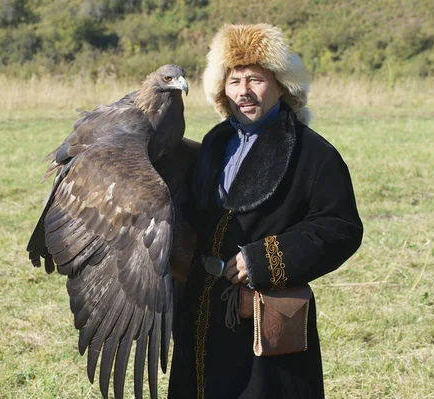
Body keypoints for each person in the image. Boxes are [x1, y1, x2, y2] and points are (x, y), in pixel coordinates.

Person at [168, 23, 363, 399]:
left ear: (280, 84)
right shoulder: (212, 144)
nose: (244, 92)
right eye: (234, 80)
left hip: (265, 319)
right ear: (221, 89)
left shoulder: (313, 153)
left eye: (255, 79)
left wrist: (264, 259)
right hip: (200, 310)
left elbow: (340, 227)